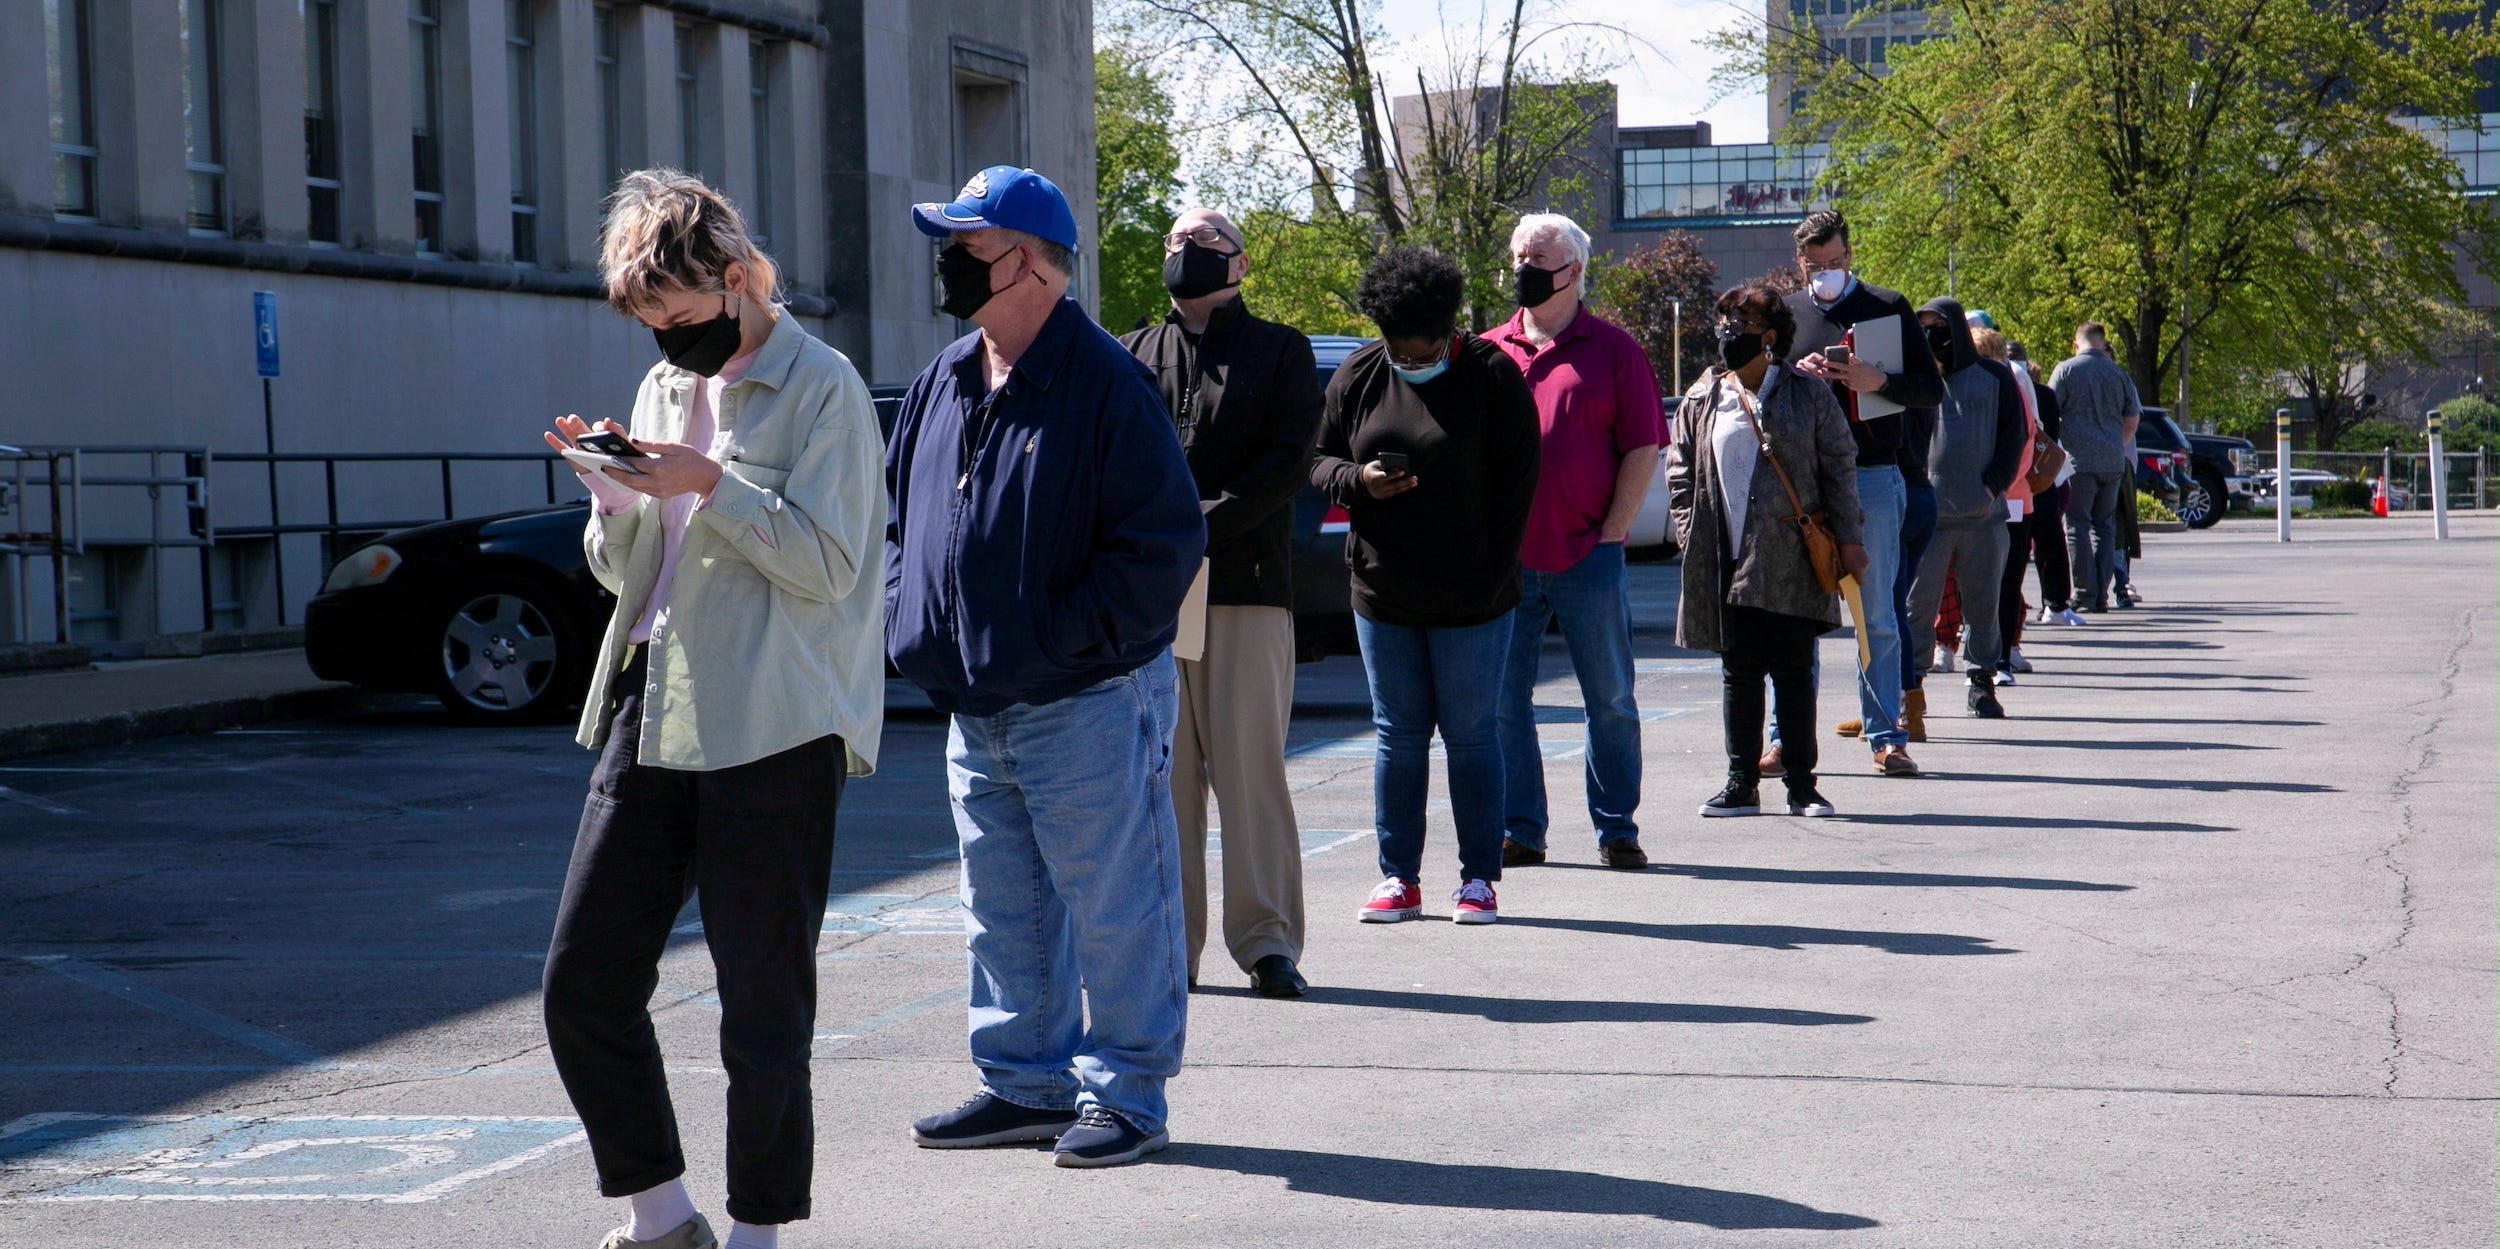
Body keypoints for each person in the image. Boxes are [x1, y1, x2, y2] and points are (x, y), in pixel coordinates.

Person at [539, 169, 888, 1249]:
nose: (668, 347)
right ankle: (662, 1215)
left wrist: (707, 485)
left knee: (763, 1009)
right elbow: (629, 567)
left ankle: (758, 1234)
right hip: (655, 696)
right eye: (651, 328)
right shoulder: (658, 392)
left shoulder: (822, 385)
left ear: (737, 279)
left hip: (776, 721)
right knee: (582, 983)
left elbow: (832, 566)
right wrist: (614, 500)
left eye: (682, 321)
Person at [886, 166, 1206, 1169]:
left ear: (1024, 262)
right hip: (975, 704)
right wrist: (917, 626)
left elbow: (1160, 551)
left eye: (965, 245)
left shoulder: (1108, 383)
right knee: (1003, 909)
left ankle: (1129, 1094)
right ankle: (1022, 1082)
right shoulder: (944, 379)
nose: (944, 263)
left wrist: (1053, 638)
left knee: (1118, 907)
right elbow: (904, 524)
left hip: (1086, 700)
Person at [1119, 208, 1323, 999]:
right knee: (1164, 783)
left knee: (1250, 773)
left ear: (1239, 265)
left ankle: (1268, 942)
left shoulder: (1281, 350)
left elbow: (1288, 461)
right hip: (1155, 600)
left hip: (1246, 587)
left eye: (1201, 241)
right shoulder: (1132, 353)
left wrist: (1205, 517)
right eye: (1172, 238)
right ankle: (1173, 946)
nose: (1181, 249)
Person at [1311, 246, 1540, 925]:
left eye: (1426, 351)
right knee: (1398, 736)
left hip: (1475, 597)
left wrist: (1490, 573)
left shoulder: (1495, 377)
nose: (1412, 361)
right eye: (1401, 352)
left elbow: (1518, 490)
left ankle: (1478, 879)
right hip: (1384, 593)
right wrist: (1360, 482)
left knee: (1471, 736)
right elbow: (1318, 461)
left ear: (1449, 332)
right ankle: (1398, 878)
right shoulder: (1358, 373)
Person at [1483, 213, 1666, 871]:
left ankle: (1616, 825)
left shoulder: (1613, 350)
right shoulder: (1486, 350)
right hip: (1505, 563)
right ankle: (1520, 829)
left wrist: (1612, 531)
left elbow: (1644, 446)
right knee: (1504, 701)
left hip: (1588, 554)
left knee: (1609, 697)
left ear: (1575, 271)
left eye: (1540, 258)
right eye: (1519, 256)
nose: (1525, 267)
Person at [1667, 281, 1868, 818]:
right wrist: (1691, 533)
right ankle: (1741, 782)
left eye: (1739, 328)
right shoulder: (1703, 395)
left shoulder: (1807, 393)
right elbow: (1680, 470)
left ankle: (1803, 784)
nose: (1726, 337)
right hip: (1724, 557)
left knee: (1794, 670)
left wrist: (1850, 541)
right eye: (1722, 327)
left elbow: (1840, 469)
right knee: (1739, 672)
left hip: (1793, 555)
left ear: (1771, 337)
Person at [1778, 210, 1941, 778]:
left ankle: (1887, 735)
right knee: (1796, 616)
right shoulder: (1787, 313)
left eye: (1836, 261)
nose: (1827, 272)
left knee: (1876, 614)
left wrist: (1879, 383)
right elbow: (1757, 387)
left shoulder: (1886, 306)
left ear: (1850, 255)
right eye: (1815, 265)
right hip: (1802, 481)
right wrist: (1794, 374)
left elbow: (1930, 389)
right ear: (1800, 263)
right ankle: (1786, 738)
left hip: (1871, 472)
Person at [1901, 298, 2029, 719]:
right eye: (1923, 328)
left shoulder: (1995, 376)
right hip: (1927, 517)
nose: (1930, 335)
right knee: (1917, 606)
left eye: (1937, 326)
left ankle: (1982, 682)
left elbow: (2015, 435)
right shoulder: (1916, 379)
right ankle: (1911, 685)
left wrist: (1993, 485)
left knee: (1984, 605)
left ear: (1955, 327)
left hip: (1983, 516)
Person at [2049, 322, 2141, 613]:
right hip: (2113, 461)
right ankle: (2101, 593)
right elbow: (2133, 419)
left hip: (2078, 462)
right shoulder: (2119, 375)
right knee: (2105, 526)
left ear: (2076, 344)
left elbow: (2049, 413)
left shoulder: (2065, 370)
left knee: (2076, 526)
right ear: (2103, 343)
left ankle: (2086, 594)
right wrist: (2116, 442)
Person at [1971, 327, 2041, 682]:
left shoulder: (2011, 388)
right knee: (1979, 584)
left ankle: (2002, 655)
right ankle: (1982, 655)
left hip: (2011, 501)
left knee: (2008, 581)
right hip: (1975, 502)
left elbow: (2025, 444)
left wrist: (1996, 486)